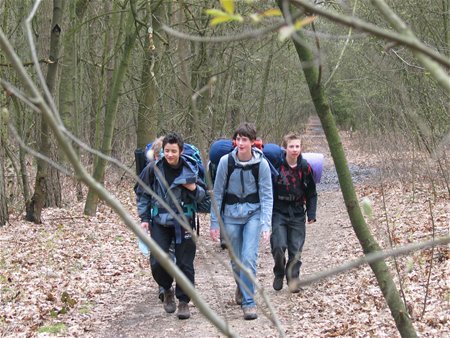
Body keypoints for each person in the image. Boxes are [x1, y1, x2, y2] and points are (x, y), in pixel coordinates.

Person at [135, 132, 206, 320]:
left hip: (185, 221)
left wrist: (193, 188)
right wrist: (144, 218)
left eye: (174, 151)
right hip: (160, 221)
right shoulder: (153, 169)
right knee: (158, 262)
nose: (170, 155)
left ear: (180, 151)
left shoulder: (190, 169)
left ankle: (183, 302)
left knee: (185, 264)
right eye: (167, 151)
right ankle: (166, 289)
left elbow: (202, 196)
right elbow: (143, 194)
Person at [210, 122, 273, 320]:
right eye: (238, 139)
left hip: (253, 214)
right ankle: (242, 285)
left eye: (245, 139)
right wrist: (214, 223)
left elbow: (267, 195)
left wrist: (265, 224)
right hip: (230, 215)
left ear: (253, 142)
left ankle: (249, 302)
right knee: (236, 261)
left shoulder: (261, 164)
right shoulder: (224, 162)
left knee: (248, 257)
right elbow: (217, 194)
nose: (241, 143)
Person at [270, 132, 317, 293]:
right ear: (285, 148)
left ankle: (293, 279)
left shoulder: (305, 167)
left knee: (296, 250)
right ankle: (279, 272)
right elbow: (268, 189)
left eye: (297, 146)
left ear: (301, 148)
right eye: (291, 146)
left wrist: (311, 213)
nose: (294, 150)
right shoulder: (276, 166)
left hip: (297, 212)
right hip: (279, 211)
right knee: (278, 245)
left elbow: (311, 192)